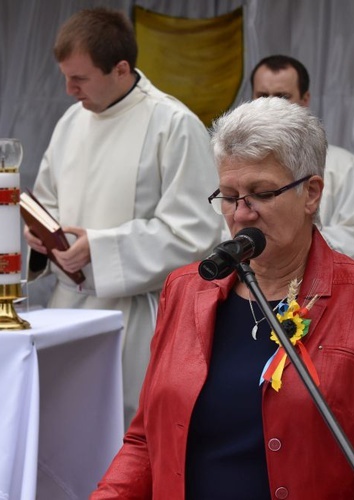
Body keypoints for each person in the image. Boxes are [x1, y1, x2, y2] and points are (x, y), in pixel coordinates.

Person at [91, 97, 354, 498]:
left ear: (311, 193)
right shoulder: (185, 290)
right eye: (228, 194)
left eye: (261, 193)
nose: (241, 213)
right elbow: (145, 444)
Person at [24, 7, 223, 425]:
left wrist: (98, 246)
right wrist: (43, 239)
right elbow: (48, 200)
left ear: (120, 69)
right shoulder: (71, 122)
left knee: (124, 433)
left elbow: (196, 233)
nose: (68, 90)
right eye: (65, 76)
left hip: (135, 319)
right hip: (68, 311)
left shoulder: (173, 124)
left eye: (79, 78)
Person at [250, 54, 354, 266]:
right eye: (262, 96)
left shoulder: (344, 166)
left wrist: (294, 245)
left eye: (282, 97)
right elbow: (215, 235)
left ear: (305, 100)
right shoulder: (232, 168)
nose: (271, 106)